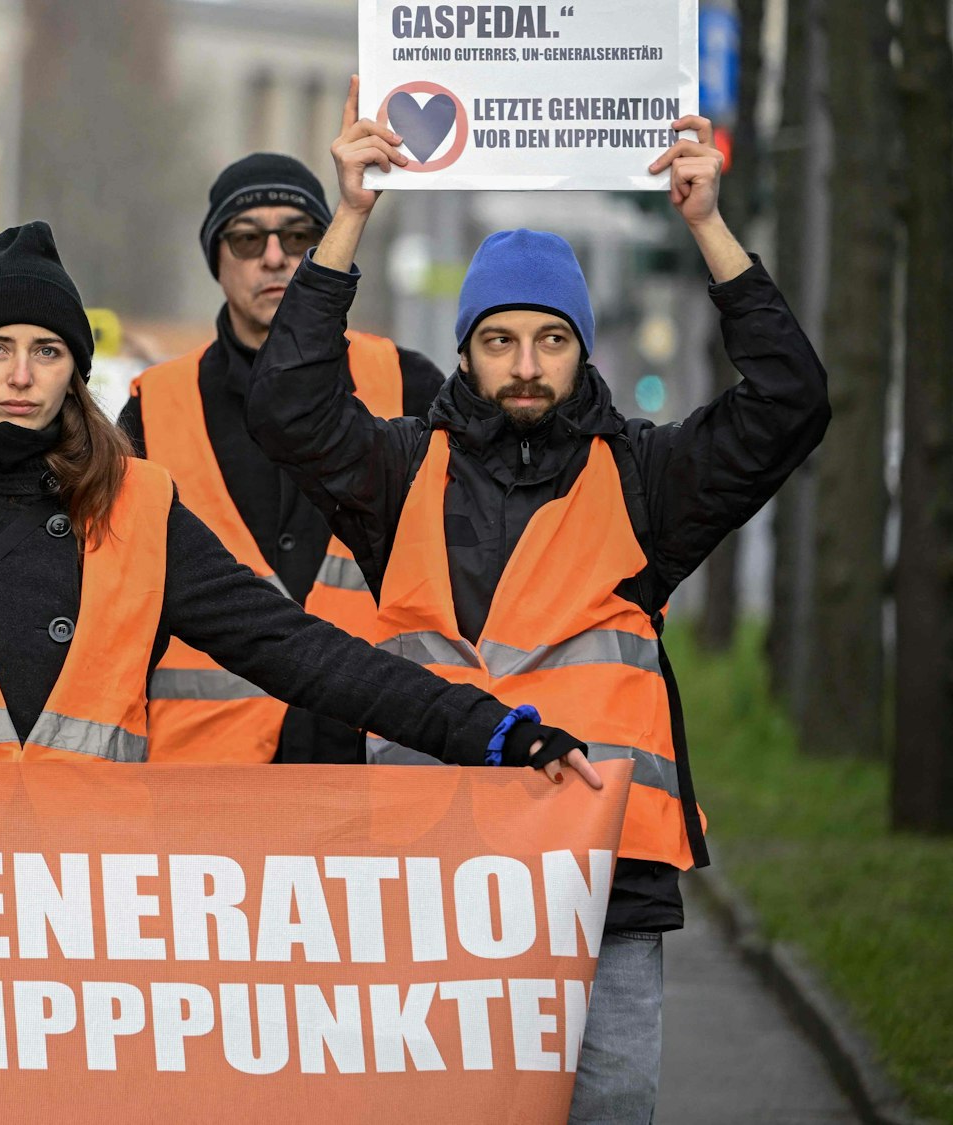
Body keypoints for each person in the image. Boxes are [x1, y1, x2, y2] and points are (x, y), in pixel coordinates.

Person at [246, 82, 829, 1122]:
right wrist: (350, 213)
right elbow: (286, 401)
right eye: (499, 339)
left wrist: (706, 226)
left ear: (582, 349)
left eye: (549, 340)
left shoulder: (644, 482)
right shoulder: (395, 473)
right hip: (431, 880)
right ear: (464, 351)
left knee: (604, 1110)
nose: (523, 364)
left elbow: (788, 401)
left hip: (602, 881)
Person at [0, 221, 602, 790]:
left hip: (90, 911)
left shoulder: (139, 506)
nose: (22, 375)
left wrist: (492, 729)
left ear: (76, 368)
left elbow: (303, 654)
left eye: (46, 350)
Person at [117, 154, 445, 764]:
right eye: (247, 238)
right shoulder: (152, 409)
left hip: (381, 770)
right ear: (216, 258)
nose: (275, 256)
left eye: (299, 236)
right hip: (207, 792)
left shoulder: (409, 383)